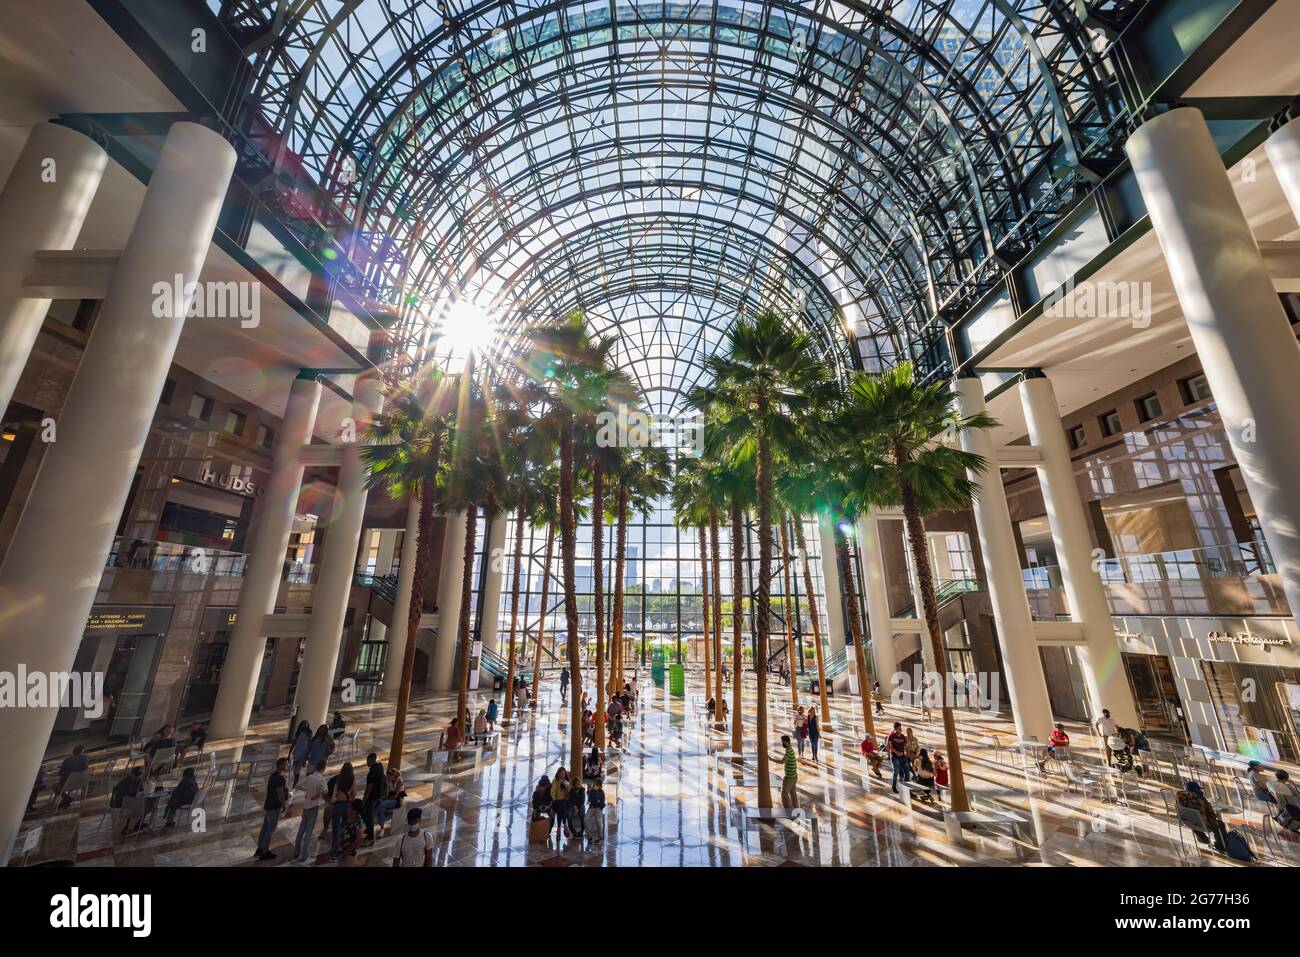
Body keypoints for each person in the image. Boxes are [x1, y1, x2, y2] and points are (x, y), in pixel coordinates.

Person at [1176, 781, 1228, 851]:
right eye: (1198, 789)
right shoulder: (1198, 800)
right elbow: (1209, 812)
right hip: (1203, 824)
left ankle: (1202, 838)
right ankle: (1220, 846)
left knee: (1194, 817)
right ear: (1194, 790)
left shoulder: (1181, 798)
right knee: (1220, 824)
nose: (1200, 791)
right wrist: (1204, 800)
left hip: (1190, 822)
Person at [294, 759, 328, 863]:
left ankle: (296, 852)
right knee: (308, 832)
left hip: (306, 806)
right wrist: (318, 794)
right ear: (323, 768)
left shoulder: (309, 777)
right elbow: (326, 791)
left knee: (301, 830)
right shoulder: (321, 780)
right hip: (313, 807)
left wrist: (308, 792)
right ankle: (304, 855)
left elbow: (297, 785)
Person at [255, 757, 289, 861]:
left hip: (268, 805)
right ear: (282, 765)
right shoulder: (280, 779)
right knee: (270, 829)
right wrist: (283, 805)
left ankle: (260, 848)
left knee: (265, 827)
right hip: (274, 807)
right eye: (286, 764)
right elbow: (280, 795)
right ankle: (265, 851)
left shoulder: (273, 776)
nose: (287, 766)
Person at [328, 762, 356, 860]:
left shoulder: (338, 780)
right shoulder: (352, 779)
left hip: (338, 805)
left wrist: (333, 801)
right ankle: (343, 847)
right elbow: (354, 794)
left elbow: (333, 797)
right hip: (347, 805)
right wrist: (349, 801)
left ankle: (334, 850)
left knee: (336, 828)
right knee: (344, 828)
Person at [110, 767, 145, 834]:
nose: (138, 777)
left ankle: (140, 822)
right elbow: (122, 797)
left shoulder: (138, 780)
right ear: (131, 774)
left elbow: (141, 790)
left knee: (145, 802)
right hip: (121, 802)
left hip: (131, 800)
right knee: (140, 804)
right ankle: (129, 826)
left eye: (139, 775)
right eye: (136, 776)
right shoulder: (124, 783)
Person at [361, 752, 385, 844]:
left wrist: (364, 800)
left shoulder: (371, 773)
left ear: (372, 760)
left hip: (371, 797)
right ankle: (368, 829)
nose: (366, 762)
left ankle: (370, 837)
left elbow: (368, 788)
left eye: (368, 760)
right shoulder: (380, 767)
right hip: (379, 794)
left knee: (368, 816)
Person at [886, 722, 910, 793]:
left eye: (901, 728)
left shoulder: (903, 736)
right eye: (899, 728)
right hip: (895, 757)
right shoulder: (891, 736)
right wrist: (896, 752)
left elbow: (906, 746)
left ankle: (907, 788)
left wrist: (907, 753)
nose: (901, 729)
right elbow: (888, 747)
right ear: (895, 729)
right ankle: (894, 786)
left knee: (907, 771)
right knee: (896, 772)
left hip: (903, 757)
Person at [778, 734, 799, 811]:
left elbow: (781, 762)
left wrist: (770, 759)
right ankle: (796, 810)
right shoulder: (789, 749)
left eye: (783, 742)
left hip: (790, 777)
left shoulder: (789, 752)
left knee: (784, 794)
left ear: (788, 742)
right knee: (793, 794)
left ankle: (789, 812)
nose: (782, 744)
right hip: (793, 776)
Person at [550, 767, 572, 841]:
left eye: (563, 774)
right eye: (561, 774)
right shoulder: (555, 781)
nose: (562, 775)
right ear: (558, 774)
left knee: (562, 806)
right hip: (557, 800)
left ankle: (559, 828)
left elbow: (570, 793)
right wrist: (558, 785)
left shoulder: (567, 781)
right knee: (561, 805)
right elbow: (552, 792)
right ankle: (565, 826)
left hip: (565, 801)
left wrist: (568, 788)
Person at [290, 720, 312, 785]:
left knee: (298, 770)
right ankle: (295, 779)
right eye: (303, 724)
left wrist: (307, 755)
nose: (304, 726)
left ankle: (295, 782)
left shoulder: (309, 733)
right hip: (296, 753)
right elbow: (293, 743)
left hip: (303, 754)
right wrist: (289, 754)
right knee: (294, 769)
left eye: (306, 724)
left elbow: (309, 744)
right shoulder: (297, 733)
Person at [585, 778, 606, 844]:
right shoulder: (592, 791)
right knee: (586, 819)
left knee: (598, 821)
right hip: (592, 808)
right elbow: (590, 800)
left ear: (599, 786)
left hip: (598, 808)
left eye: (595, 785)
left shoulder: (602, 792)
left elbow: (602, 803)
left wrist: (599, 806)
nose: (594, 786)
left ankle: (600, 836)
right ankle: (589, 835)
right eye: (594, 785)